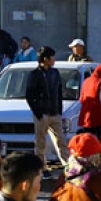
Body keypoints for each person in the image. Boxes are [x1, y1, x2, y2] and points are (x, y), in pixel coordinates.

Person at [25, 46, 68, 179]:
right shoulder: (34, 74)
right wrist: (38, 113)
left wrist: (59, 111)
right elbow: (29, 95)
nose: (54, 59)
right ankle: (42, 168)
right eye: (52, 57)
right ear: (45, 59)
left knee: (61, 141)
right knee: (40, 143)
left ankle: (68, 166)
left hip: (54, 113)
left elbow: (59, 92)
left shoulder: (55, 73)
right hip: (42, 113)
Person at [77, 64, 101, 140]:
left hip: (86, 114)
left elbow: (81, 98)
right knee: (100, 138)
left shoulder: (86, 81)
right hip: (98, 114)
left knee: (87, 139)